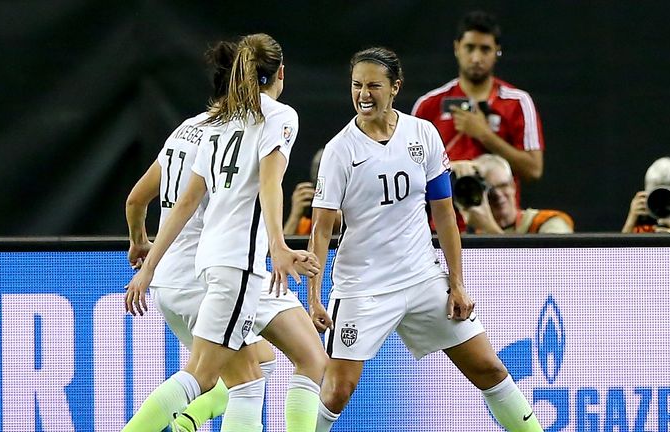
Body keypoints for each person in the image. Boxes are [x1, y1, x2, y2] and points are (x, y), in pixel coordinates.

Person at [308, 47, 543, 432]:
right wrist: (315, 294)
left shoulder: (423, 133)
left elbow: (444, 214)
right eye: (356, 86)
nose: (364, 95)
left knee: (489, 367)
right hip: (363, 288)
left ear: (395, 87)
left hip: (422, 279)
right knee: (337, 391)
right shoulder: (340, 151)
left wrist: (457, 283)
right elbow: (321, 229)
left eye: (373, 86)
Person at [124, 39, 327, 432]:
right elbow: (270, 185)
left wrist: (149, 267)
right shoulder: (280, 115)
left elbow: (183, 204)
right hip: (237, 265)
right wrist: (280, 247)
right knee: (208, 378)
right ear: (280, 72)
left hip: (211, 263)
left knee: (272, 367)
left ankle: (192, 420)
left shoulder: (218, 123)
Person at [412, 10, 545, 208]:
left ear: (497, 51)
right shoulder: (429, 104)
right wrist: (450, 170)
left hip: (498, 222)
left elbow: (534, 170)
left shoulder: (517, 102)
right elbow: (410, 169)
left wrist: (485, 135)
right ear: (457, 48)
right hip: (442, 220)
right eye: (470, 48)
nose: (476, 58)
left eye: (485, 49)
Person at [453, 154, 573, 234]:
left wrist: (489, 229)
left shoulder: (545, 222)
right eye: (489, 190)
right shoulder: (472, 236)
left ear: (513, 186)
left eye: (503, 186)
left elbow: (557, 267)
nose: (498, 194)